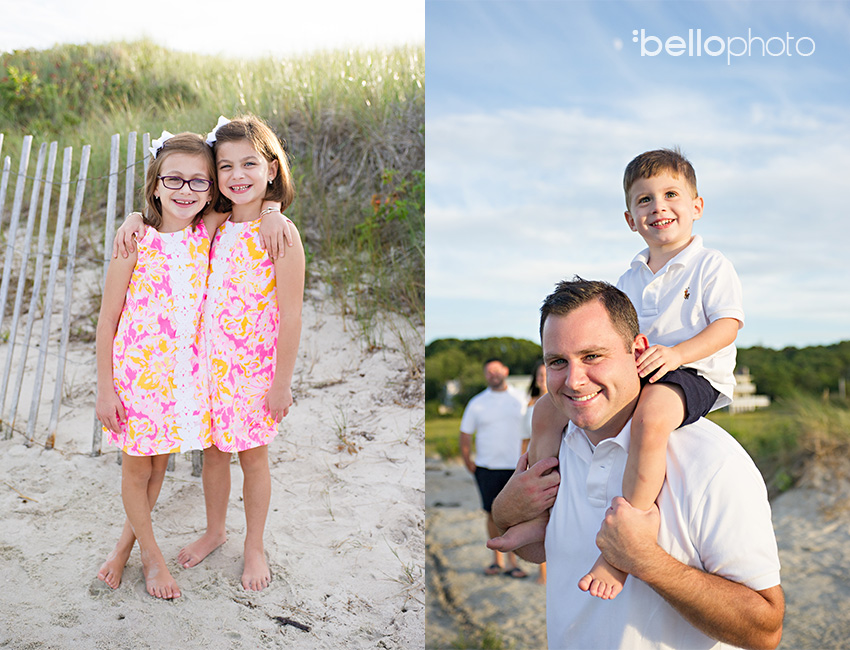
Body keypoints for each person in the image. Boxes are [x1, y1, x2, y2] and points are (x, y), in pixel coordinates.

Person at [493, 148, 744, 600]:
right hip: (642, 370)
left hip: (694, 373)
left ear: (697, 206)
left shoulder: (711, 265)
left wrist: (677, 354)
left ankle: (625, 539)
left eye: (671, 195)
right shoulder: (628, 278)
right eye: (644, 199)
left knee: (651, 416)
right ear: (630, 219)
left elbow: (728, 325)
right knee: (545, 410)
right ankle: (540, 514)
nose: (658, 206)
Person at [493, 278, 783, 649]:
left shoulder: (713, 463)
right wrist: (505, 510)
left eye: (592, 356)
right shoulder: (556, 445)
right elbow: (540, 549)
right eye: (558, 362)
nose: (574, 381)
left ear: (638, 351)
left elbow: (764, 631)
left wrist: (646, 561)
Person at [113, 115, 305, 591]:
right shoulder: (212, 225)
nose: (237, 175)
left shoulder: (279, 233)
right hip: (205, 370)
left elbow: (292, 317)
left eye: (249, 164)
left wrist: (281, 382)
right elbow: (161, 218)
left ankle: (254, 545)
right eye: (226, 166)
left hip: (253, 372)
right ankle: (215, 530)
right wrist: (135, 216)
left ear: (272, 169)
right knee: (215, 456)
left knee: (253, 458)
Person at [95, 131, 218, 599]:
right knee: (136, 471)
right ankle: (151, 556)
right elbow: (107, 320)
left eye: (199, 181)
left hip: (181, 379)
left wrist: (270, 213)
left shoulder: (207, 232)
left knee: (159, 468)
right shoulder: (136, 241)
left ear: (211, 188)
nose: (186, 189)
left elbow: (256, 199)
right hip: (135, 378)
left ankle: (123, 549)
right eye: (174, 179)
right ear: (155, 184)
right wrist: (105, 389)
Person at [459, 358, 529, 578]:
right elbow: (465, 434)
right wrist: (467, 460)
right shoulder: (477, 402)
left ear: (506, 371)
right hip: (487, 467)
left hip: (516, 467)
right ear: (485, 375)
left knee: (515, 516)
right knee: (491, 514)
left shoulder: (521, 399)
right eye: (489, 372)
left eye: (497, 370)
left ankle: (513, 562)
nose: (493, 375)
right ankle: (497, 560)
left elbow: (533, 429)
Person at [525, 359, 547, 585]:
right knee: (540, 518)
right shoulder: (530, 404)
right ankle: (543, 572)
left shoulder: (564, 401)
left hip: (554, 462)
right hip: (534, 464)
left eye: (546, 374)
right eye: (539, 375)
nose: (542, 379)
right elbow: (525, 439)